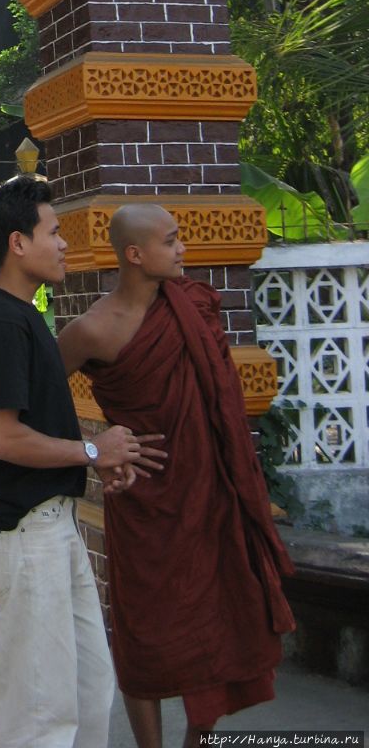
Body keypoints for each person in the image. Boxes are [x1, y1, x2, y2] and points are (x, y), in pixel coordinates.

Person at [57, 204, 295, 748]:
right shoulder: (92, 329)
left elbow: (219, 396)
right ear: (135, 255)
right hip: (144, 502)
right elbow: (35, 394)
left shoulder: (191, 305)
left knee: (219, 619)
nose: (183, 248)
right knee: (144, 634)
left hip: (211, 493)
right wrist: (95, 452)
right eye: (171, 240)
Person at [0, 176, 166, 748]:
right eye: (53, 232)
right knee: (41, 709)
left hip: (55, 525)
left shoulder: (25, 317)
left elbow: (38, 429)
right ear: (17, 243)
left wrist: (95, 461)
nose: (64, 244)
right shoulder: (2, 322)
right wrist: (94, 450)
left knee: (86, 686)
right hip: (26, 531)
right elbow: (1, 438)